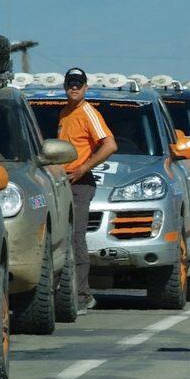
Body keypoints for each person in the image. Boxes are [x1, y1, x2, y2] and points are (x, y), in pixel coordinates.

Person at [57, 67, 118, 315]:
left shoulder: (88, 112)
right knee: (62, 239)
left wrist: (83, 168)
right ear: (65, 87)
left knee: (76, 237)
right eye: (70, 84)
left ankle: (83, 295)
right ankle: (68, 292)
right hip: (63, 182)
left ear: (85, 87)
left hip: (80, 184)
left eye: (78, 84)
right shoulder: (65, 113)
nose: (74, 88)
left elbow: (109, 145)